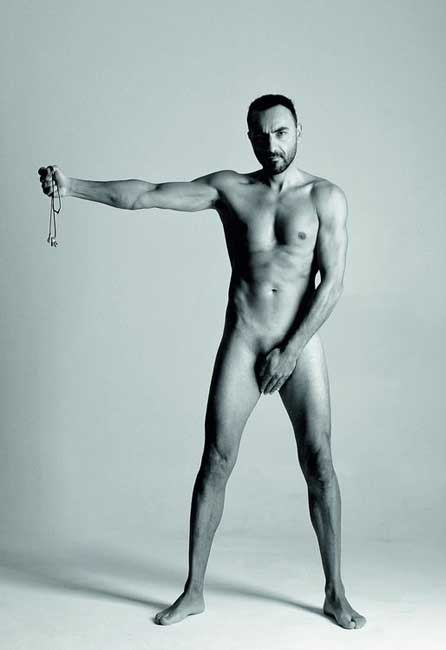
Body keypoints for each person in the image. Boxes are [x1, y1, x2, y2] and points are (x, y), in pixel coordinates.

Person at [38, 93, 366, 629]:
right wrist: (72, 186)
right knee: (215, 461)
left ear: (298, 131)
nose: (271, 144)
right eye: (261, 135)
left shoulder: (324, 197)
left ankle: (335, 592)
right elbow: (147, 195)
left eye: (281, 132)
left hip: (300, 344)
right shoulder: (230, 190)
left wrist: (290, 350)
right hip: (244, 338)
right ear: (250, 137)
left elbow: (332, 285)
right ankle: (193, 591)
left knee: (319, 463)